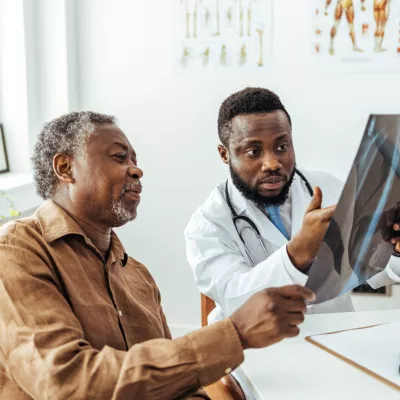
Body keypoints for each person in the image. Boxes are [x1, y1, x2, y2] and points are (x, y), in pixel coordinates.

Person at [0, 111, 314, 400]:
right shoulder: (17, 251)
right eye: (119, 157)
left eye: (134, 159)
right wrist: (234, 334)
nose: (136, 169)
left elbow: (180, 385)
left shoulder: (137, 277)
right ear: (65, 168)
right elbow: (65, 383)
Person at [185, 87, 400, 325]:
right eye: (253, 151)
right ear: (224, 154)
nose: (272, 163)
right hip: (254, 352)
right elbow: (234, 298)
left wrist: (395, 249)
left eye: (281, 147)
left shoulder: (327, 187)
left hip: (334, 337)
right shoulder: (207, 225)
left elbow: (370, 272)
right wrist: (297, 252)